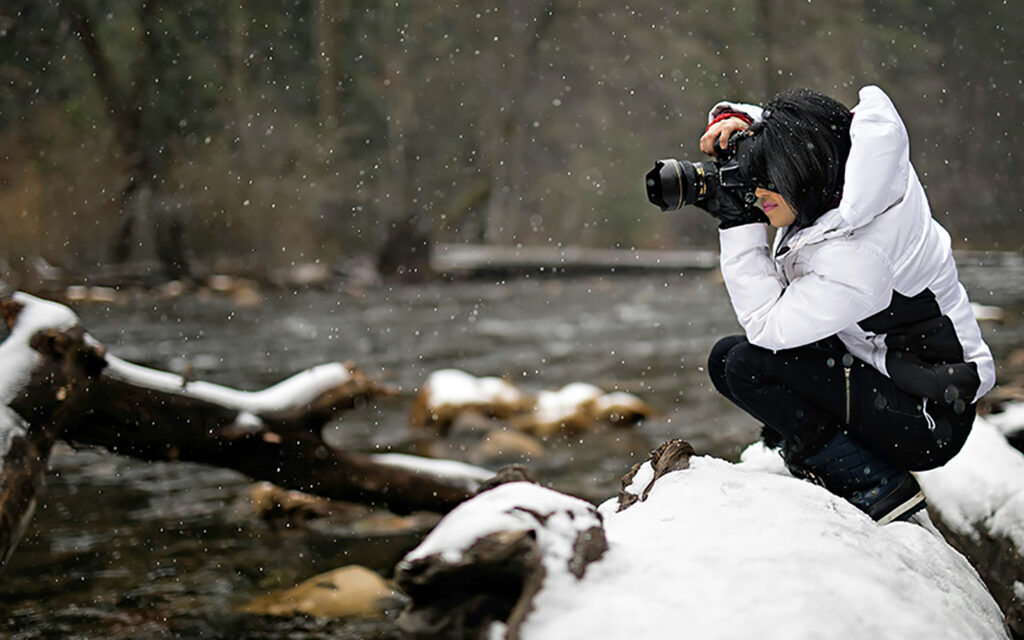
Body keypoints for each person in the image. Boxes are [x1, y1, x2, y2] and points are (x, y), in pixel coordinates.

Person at [697, 85, 995, 524]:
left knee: (746, 365)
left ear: (802, 174)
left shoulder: (860, 255)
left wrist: (738, 225)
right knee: (727, 359)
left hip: (929, 418)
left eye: (765, 179)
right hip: (895, 378)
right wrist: (742, 123)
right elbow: (813, 133)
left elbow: (766, 324)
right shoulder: (851, 178)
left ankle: (876, 484)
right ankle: (831, 457)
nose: (754, 190)